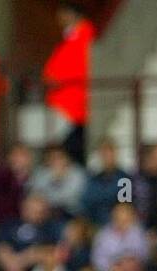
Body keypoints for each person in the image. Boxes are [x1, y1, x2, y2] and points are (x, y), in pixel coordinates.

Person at [42, 3, 94, 165]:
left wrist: (56, 77)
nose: (59, 19)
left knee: (70, 148)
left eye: (62, 14)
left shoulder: (84, 35)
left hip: (73, 102)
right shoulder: (71, 36)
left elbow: (80, 66)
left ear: (71, 14)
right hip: (64, 103)